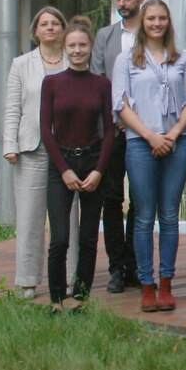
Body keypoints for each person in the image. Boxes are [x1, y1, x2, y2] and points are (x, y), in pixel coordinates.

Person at [112, 0, 186, 313]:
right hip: (141, 143)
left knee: (169, 216)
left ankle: (166, 283)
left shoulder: (182, 58)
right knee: (143, 217)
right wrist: (151, 136)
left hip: (175, 143)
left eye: (162, 18)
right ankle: (146, 284)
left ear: (168, 22)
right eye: (151, 18)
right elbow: (120, 105)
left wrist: (173, 134)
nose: (156, 23)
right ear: (143, 21)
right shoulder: (126, 60)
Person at [39, 18, 116, 312]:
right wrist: (64, 169)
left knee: (87, 238)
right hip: (63, 164)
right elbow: (46, 130)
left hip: (94, 162)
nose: (77, 50)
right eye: (72, 45)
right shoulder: (52, 83)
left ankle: (80, 297)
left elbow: (109, 130)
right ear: (64, 47)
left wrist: (98, 170)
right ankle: (57, 298)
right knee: (59, 238)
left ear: (90, 47)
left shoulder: (101, 84)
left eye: (82, 45)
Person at [3, 5, 68, 300]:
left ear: (63, 29)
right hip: (32, 148)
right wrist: (10, 145)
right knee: (30, 216)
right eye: (45, 24)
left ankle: (68, 278)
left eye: (55, 23)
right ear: (35, 31)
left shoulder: (75, 60)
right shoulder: (21, 65)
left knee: (69, 218)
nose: (50, 28)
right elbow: (13, 107)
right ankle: (27, 280)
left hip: (69, 150)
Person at [91, 0, 144, 293]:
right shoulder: (104, 36)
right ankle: (116, 267)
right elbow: (99, 81)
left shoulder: (152, 32)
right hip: (112, 131)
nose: (122, 3)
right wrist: (117, 118)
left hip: (144, 132)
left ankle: (135, 264)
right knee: (112, 201)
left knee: (140, 201)